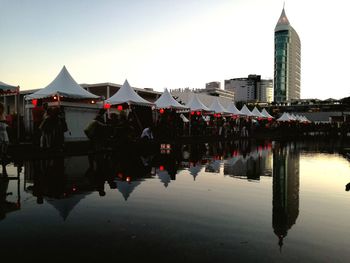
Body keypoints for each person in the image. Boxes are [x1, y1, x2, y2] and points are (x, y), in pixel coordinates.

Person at [0, 103, 9, 177]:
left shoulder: (3, 115)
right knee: (2, 151)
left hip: (4, 134)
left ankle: (4, 167)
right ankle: (3, 168)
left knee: (4, 151)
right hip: (2, 134)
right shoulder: (2, 115)